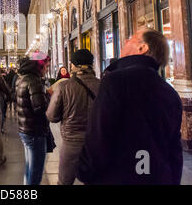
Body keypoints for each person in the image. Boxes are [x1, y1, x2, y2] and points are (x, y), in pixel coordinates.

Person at [77, 29, 183, 185]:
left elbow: (98, 137)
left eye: (131, 38)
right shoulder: (170, 93)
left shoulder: (115, 81)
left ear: (142, 48)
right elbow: (174, 151)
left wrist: (84, 171)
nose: (126, 41)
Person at [46, 49, 100, 185]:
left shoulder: (64, 86)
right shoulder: (103, 85)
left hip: (71, 143)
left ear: (73, 65)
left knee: (65, 181)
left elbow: (52, 116)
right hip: (96, 141)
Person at [16, 52, 51, 185]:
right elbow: (40, 108)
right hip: (34, 130)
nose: (47, 70)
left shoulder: (23, 78)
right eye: (46, 67)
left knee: (29, 167)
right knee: (36, 171)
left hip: (25, 128)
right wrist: (48, 96)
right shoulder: (34, 81)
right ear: (39, 66)